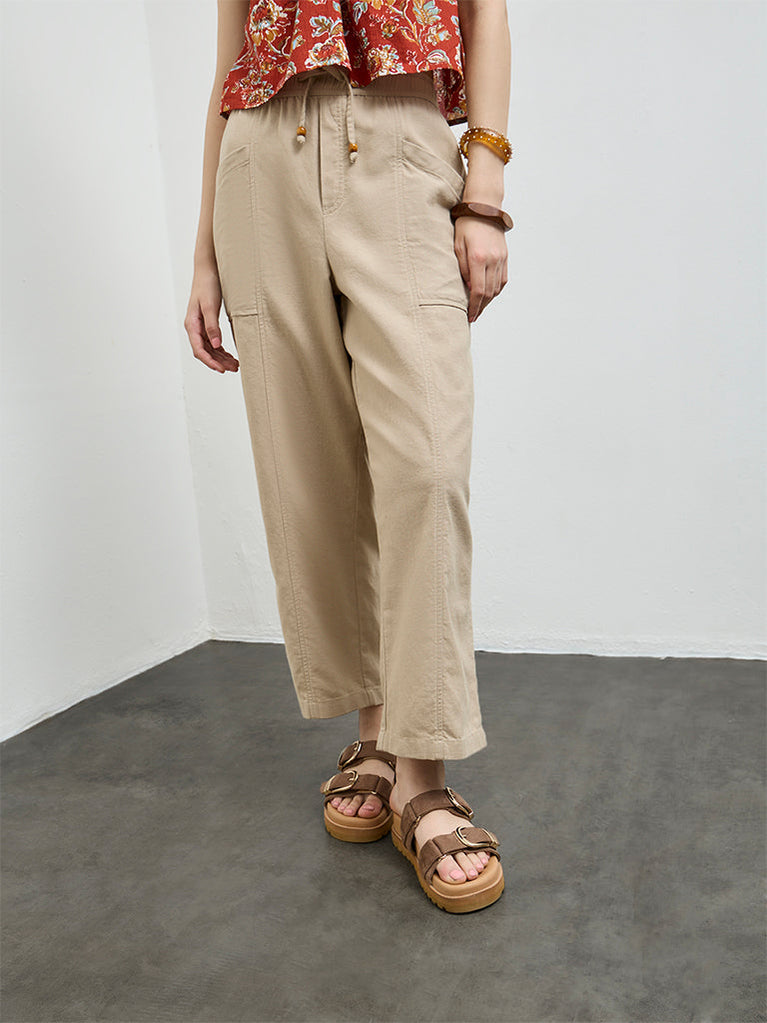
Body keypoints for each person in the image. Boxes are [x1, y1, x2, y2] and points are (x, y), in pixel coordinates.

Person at [184, 0, 512, 913]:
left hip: (400, 139)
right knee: (313, 474)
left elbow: (487, 15)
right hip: (261, 159)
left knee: (427, 467)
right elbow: (230, 63)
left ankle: (423, 774)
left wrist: (483, 191)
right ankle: (375, 735)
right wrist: (203, 252)